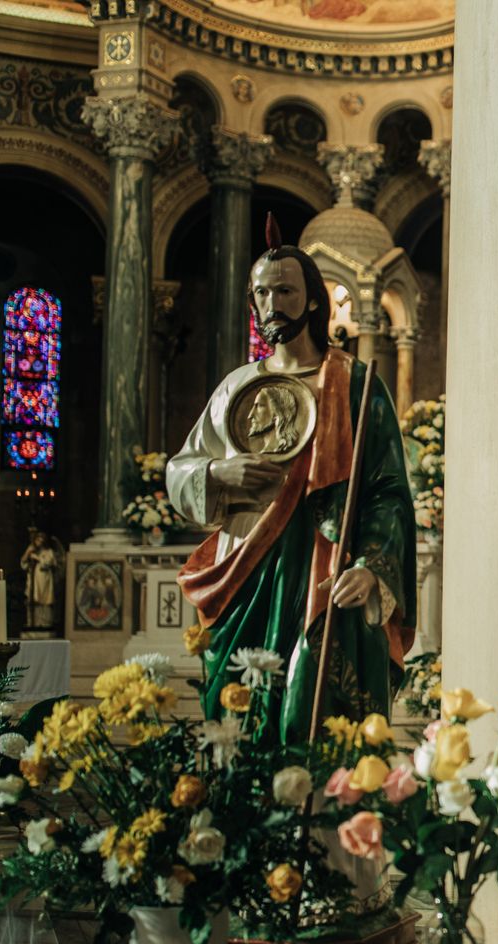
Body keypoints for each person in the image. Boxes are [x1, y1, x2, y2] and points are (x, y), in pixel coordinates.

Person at [166, 228, 416, 747]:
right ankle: (248, 817)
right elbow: (182, 468)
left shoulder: (355, 384)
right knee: (240, 709)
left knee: (315, 712)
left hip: (324, 572)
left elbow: (388, 491)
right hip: (246, 571)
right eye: (261, 293)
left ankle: (327, 823)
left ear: (313, 300)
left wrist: (372, 568)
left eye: (285, 291)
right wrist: (218, 474)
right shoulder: (236, 388)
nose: (272, 303)